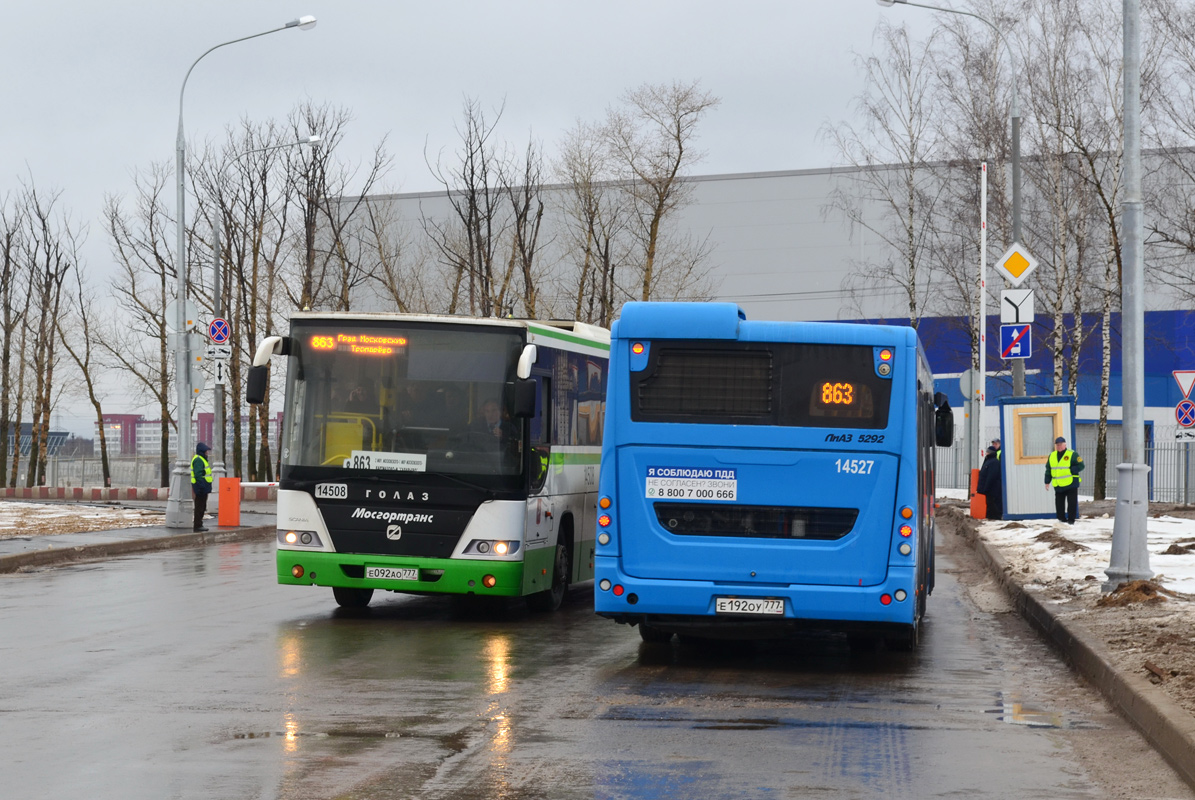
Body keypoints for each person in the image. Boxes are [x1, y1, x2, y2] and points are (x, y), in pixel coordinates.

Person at [1044, 435, 1084, 524]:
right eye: (1057, 445)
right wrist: (1047, 482)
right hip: (1058, 484)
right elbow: (1048, 469)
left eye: (1061, 444)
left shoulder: (1072, 454)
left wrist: (1072, 470)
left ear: (1065, 445)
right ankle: (1061, 519)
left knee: (1072, 503)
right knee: (1059, 504)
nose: (1059, 446)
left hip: (1071, 483)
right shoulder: (1052, 455)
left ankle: (1071, 520)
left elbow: (1081, 465)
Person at [976, 444, 1003, 520]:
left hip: (992, 488)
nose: (986, 453)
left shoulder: (993, 462)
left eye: (987, 452)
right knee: (989, 503)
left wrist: (986, 487)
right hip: (990, 488)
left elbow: (991, 476)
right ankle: (991, 517)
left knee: (993, 504)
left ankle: (995, 517)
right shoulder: (989, 461)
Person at [191, 441, 213, 532]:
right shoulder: (199, 460)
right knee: (199, 507)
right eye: (206, 451)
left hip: (202, 487)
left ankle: (199, 524)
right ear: (202, 451)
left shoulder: (201, 459)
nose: (207, 453)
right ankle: (197, 525)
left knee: (202, 506)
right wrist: (201, 487)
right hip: (200, 487)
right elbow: (198, 475)